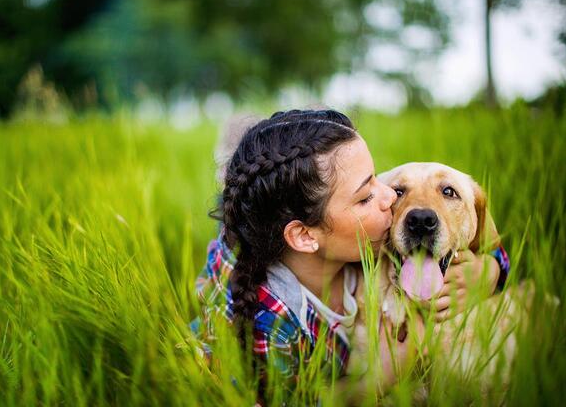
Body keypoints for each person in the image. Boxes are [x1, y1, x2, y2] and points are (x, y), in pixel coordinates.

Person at [192, 109, 510, 400]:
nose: (391, 198)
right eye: (366, 196)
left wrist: (491, 271)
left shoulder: (362, 240)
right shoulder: (267, 323)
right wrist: (381, 376)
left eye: (377, 179)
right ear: (305, 235)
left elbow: (486, 241)